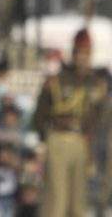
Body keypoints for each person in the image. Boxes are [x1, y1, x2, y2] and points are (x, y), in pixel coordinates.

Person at [31, 29, 107, 217]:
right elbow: (40, 116)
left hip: (81, 142)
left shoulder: (96, 83)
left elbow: (99, 117)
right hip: (58, 138)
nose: (83, 58)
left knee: (78, 202)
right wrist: (43, 141)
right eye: (80, 53)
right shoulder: (57, 80)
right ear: (73, 53)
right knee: (56, 200)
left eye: (87, 53)